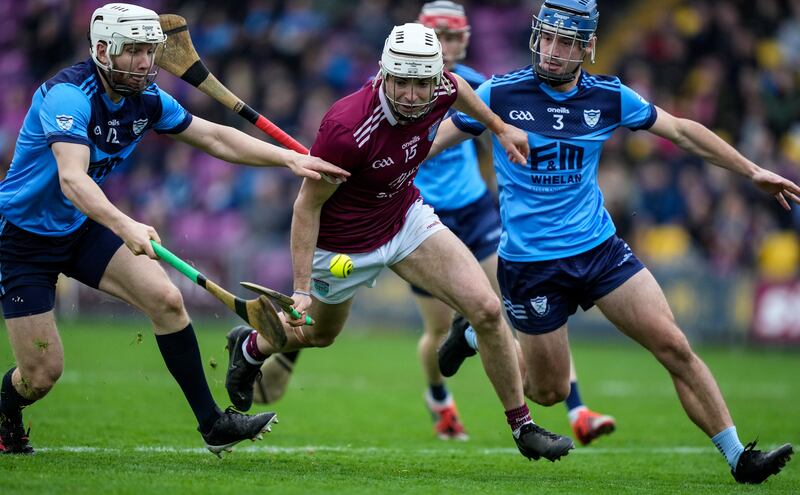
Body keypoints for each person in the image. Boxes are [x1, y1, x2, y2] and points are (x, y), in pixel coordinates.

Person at [431, 0, 795, 484]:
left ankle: (738, 457)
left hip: (599, 250)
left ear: (588, 48)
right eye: (546, 37)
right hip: (532, 265)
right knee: (548, 391)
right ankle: (477, 333)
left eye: (566, 42)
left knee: (674, 345)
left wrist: (752, 171)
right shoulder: (498, 94)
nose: (552, 51)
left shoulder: (609, 97)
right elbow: (429, 142)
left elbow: (682, 132)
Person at [250, 0, 615, 447]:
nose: (410, 94)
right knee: (325, 334)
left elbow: (458, 88)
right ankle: (253, 348)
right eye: (401, 83)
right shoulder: (347, 127)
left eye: (421, 84)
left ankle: (524, 426)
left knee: (487, 308)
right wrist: (302, 288)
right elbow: (306, 207)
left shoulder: (440, 85)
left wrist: (498, 127)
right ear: (384, 76)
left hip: (409, 217)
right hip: (348, 238)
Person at [0, 3, 348, 456]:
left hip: (79, 227)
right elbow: (72, 179)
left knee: (166, 299)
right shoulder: (68, 95)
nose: (147, 62)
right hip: (22, 240)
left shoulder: (147, 99)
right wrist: (126, 224)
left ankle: (213, 425)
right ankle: (6, 413)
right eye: (134, 51)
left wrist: (288, 159)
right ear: (103, 50)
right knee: (41, 375)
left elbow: (214, 136)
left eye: (151, 50)